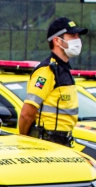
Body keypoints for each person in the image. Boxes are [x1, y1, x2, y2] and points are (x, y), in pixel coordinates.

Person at [17, 17, 87, 146]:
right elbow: (27, 114)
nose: (77, 40)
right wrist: (24, 142)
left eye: (78, 36)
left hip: (62, 140)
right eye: (72, 36)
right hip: (48, 142)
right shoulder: (47, 70)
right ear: (57, 40)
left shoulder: (62, 69)